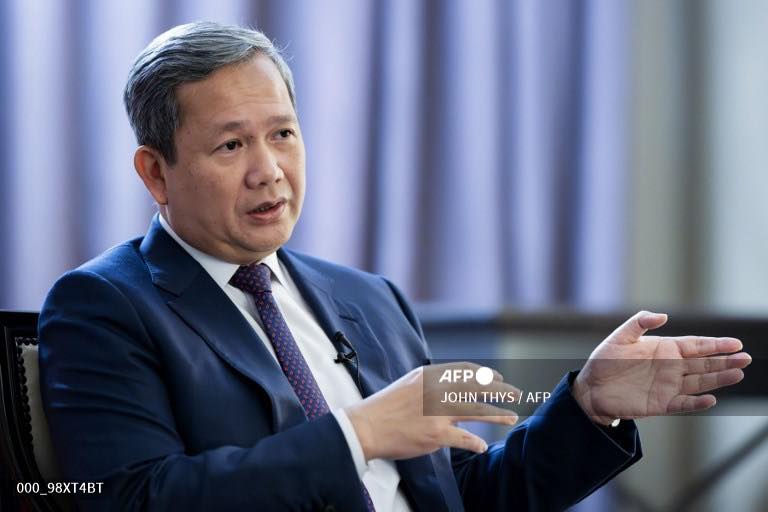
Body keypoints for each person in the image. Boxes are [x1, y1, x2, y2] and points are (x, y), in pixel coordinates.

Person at [38, 21, 751, 512]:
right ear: (155, 173)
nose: (269, 171)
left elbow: (465, 495)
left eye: (283, 134)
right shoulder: (106, 304)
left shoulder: (370, 300)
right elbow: (128, 498)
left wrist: (588, 407)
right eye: (231, 146)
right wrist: (360, 434)